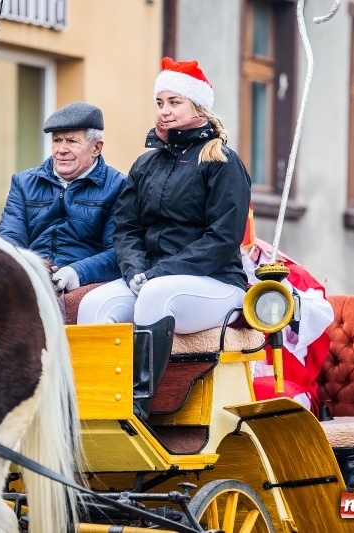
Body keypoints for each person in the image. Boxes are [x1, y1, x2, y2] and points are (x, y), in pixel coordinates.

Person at [78, 57, 252, 420]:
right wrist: (136, 271)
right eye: (160, 103)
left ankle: (138, 411)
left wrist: (160, 273)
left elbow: (223, 238)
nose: (165, 112)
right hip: (152, 278)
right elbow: (126, 229)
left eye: (175, 102)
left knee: (157, 295)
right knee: (93, 305)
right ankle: (94, 411)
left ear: (198, 106)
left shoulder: (222, 162)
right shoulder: (145, 165)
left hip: (216, 283)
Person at [0, 102, 126, 294]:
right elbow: (9, 237)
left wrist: (75, 272)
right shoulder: (23, 182)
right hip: (30, 277)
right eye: (57, 140)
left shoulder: (119, 186)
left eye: (72, 141)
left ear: (96, 148)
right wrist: (30, 265)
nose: (61, 150)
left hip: (87, 284)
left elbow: (119, 253)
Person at [241, 207, 334, 415]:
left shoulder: (289, 274)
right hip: (227, 375)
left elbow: (321, 314)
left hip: (284, 380)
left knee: (268, 398)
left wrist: (280, 295)